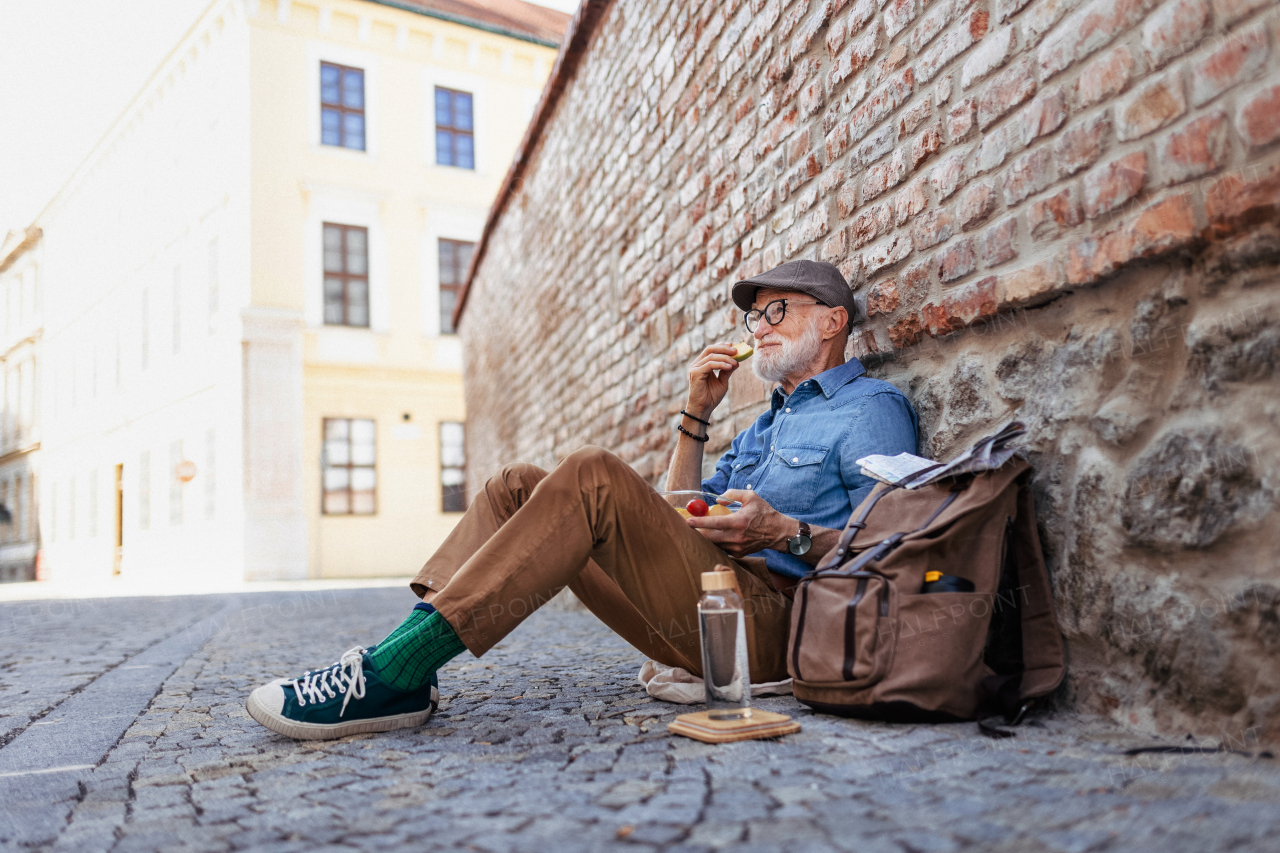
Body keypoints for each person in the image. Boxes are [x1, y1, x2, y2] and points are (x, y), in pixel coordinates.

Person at [247, 260, 919, 740]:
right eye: (755, 314)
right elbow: (675, 516)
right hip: (704, 604)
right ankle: (402, 666)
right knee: (515, 483)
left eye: (779, 311)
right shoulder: (766, 424)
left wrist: (784, 532)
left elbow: (901, 550)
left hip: (778, 625)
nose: (760, 327)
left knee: (592, 472)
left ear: (832, 321)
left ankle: (386, 675)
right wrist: (695, 415)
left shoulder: (870, 410)